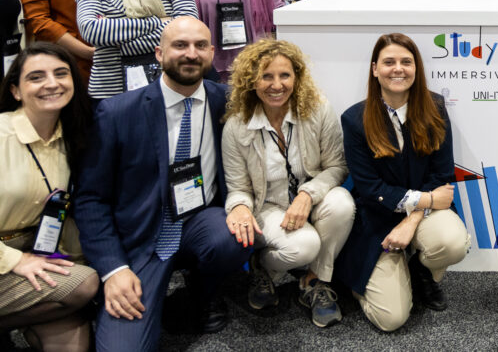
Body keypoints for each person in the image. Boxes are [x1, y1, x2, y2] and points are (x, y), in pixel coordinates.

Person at [76, 18, 250, 350]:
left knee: (236, 236)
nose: (191, 54)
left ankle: (202, 291)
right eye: (180, 45)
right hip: (141, 239)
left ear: (212, 52)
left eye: (200, 45)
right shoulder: (117, 113)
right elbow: (90, 199)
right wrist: (113, 269)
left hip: (200, 221)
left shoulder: (229, 102)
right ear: (159, 53)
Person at [335, 33, 470, 331]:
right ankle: (366, 279)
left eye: (406, 62)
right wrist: (428, 200)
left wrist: (412, 220)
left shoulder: (435, 107)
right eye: (389, 62)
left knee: (452, 243)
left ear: (416, 68)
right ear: (374, 69)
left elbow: (441, 176)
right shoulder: (354, 120)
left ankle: (420, 271)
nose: (398, 69)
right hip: (378, 217)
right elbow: (370, 188)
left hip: (425, 214)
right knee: (391, 320)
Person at [221, 39, 356, 327]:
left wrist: (308, 194)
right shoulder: (236, 125)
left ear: (297, 77)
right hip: (267, 206)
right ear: (251, 80)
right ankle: (262, 265)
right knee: (304, 246)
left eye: (285, 75)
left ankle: (314, 281)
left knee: (343, 204)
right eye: (266, 76)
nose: (276, 85)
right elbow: (238, 187)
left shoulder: (318, 110)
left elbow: (337, 166)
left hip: (312, 198)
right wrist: (239, 207)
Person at [0, 44, 99, 352]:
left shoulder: (73, 137)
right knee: (84, 284)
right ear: (16, 91)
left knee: (74, 342)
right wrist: (15, 260)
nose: (52, 83)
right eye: (36, 77)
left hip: (35, 251)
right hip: (9, 257)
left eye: (61, 73)